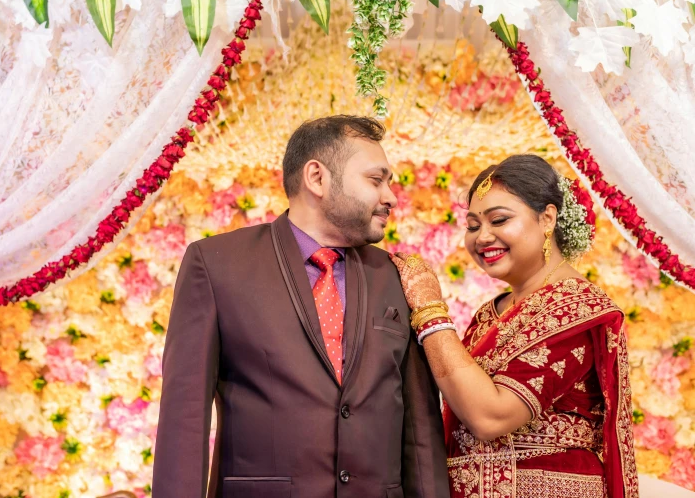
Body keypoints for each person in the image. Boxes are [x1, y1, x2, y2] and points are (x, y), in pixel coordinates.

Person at [153, 115, 450, 498]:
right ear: (317, 178)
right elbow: (185, 416)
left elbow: (420, 427)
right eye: (376, 180)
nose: (390, 197)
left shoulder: (396, 276)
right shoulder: (216, 264)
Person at [390, 154, 639, 498]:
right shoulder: (490, 314)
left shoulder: (576, 309)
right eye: (474, 225)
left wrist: (429, 309)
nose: (482, 237)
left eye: (499, 220)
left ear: (547, 218)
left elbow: (490, 417)